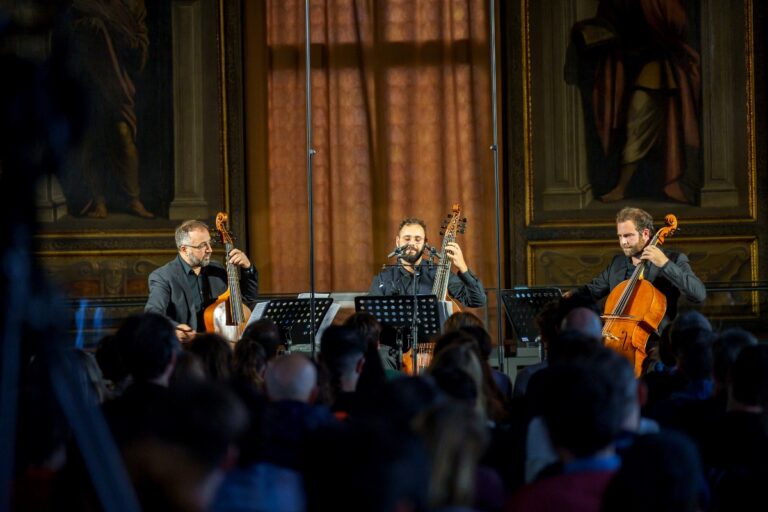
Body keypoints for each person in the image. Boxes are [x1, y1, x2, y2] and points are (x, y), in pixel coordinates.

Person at [574, 207, 706, 374]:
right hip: (612, 342)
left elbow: (698, 294)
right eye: (620, 236)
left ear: (645, 234)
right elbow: (590, 291)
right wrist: (566, 298)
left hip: (655, 347)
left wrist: (664, 264)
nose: (623, 242)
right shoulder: (618, 263)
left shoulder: (674, 259)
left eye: (628, 236)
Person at [145, 219, 258, 342]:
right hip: (187, 349)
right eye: (202, 245)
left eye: (209, 243)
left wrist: (248, 268)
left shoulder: (217, 270)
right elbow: (153, 313)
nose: (210, 249)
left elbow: (246, 299)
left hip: (219, 345)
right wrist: (174, 328)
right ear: (184, 249)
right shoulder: (163, 276)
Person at [368, 217, 486, 307]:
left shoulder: (440, 273)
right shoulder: (383, 279)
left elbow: (478, 301)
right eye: (407, 239)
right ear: (398, 242)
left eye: (418, 239)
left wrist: (463, 267)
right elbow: (371, 317)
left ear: (425, 243)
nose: (412, 244)